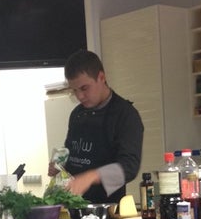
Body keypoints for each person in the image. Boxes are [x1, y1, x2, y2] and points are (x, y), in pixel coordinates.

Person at [48, 49, 144, 203]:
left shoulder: (125, 115)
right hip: (74, 206)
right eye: (74, 90)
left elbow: (129, 167)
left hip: (108, 209)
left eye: (84, 88)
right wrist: (60, 166)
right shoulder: (77, 114)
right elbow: (71, 153)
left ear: (101, 77)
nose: (79, 96)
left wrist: (91, 176)